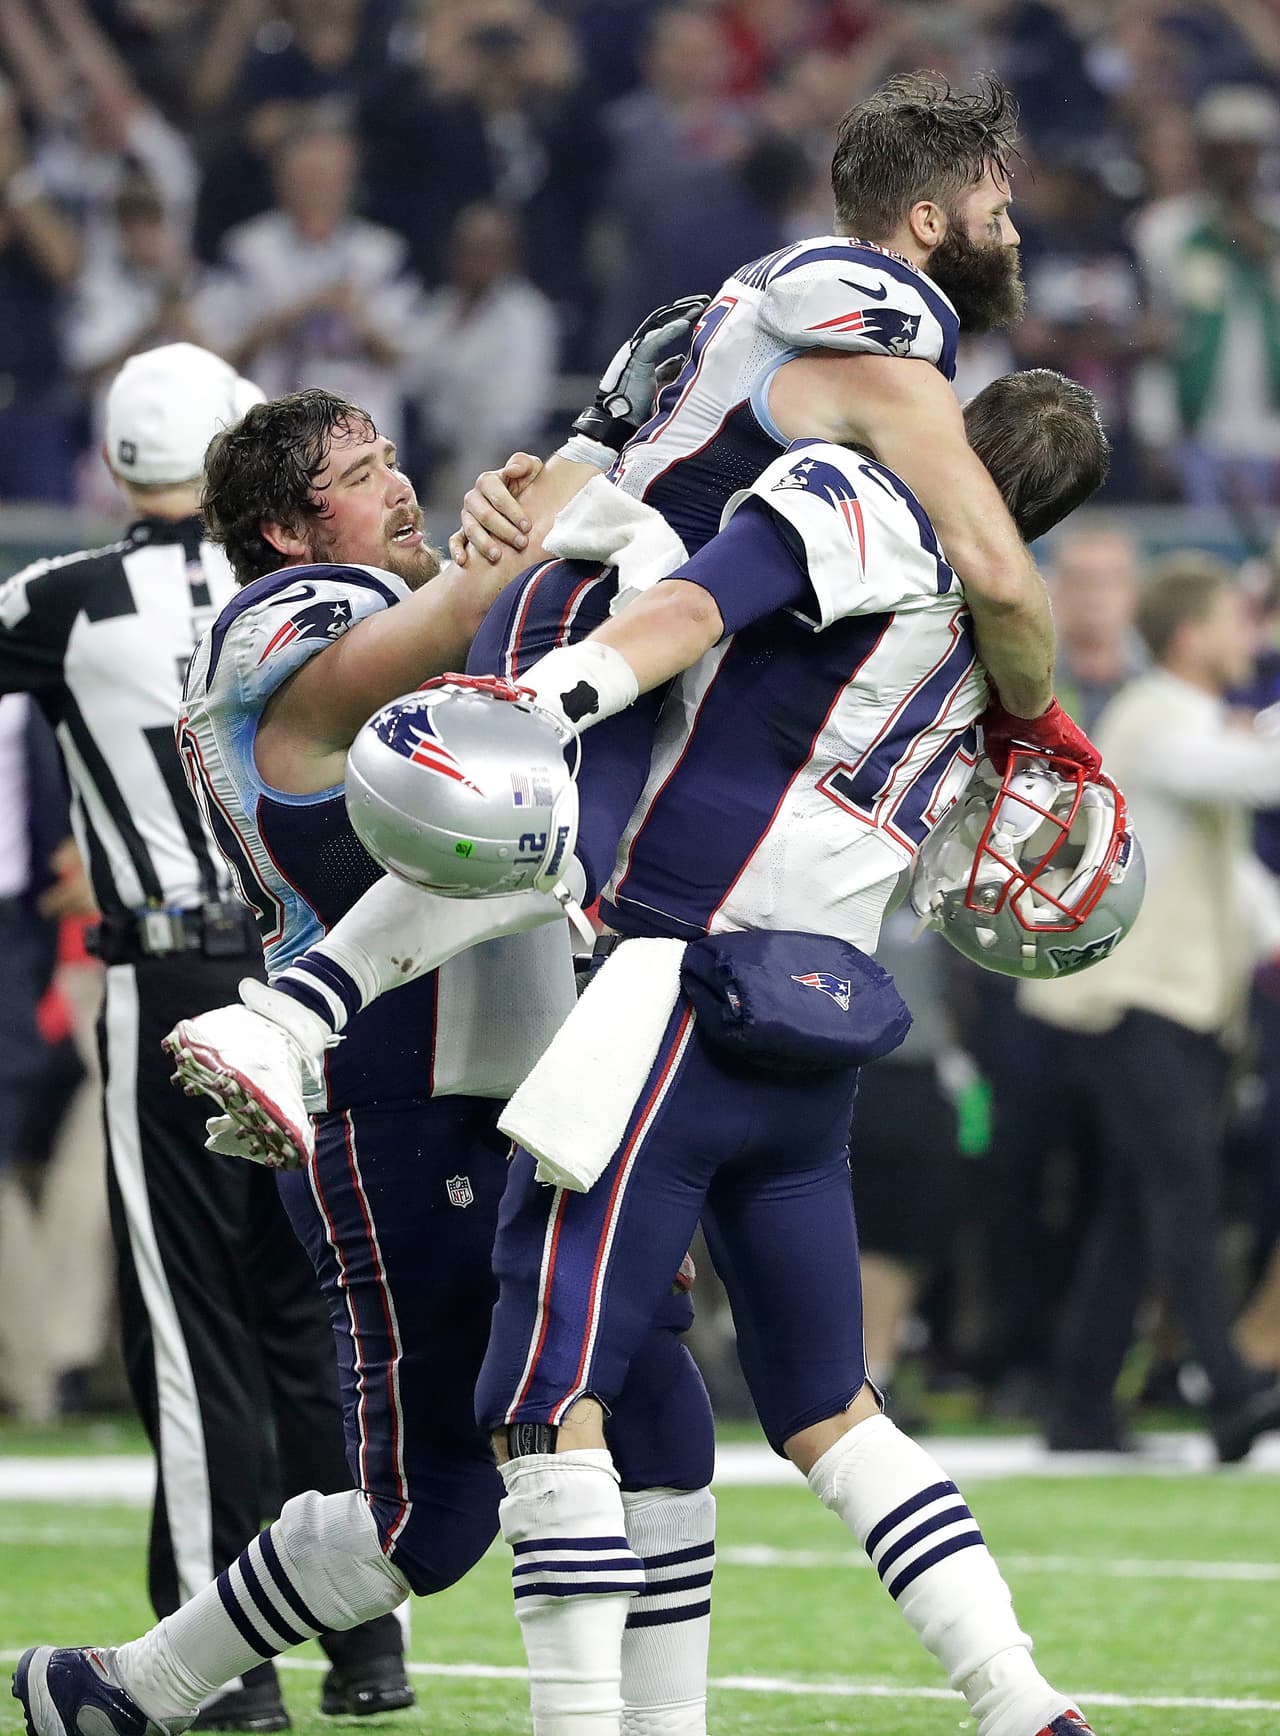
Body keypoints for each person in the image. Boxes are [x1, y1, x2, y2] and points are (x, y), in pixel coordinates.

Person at [161, 67, 1107, 1175]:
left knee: (576, 888)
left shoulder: (733, 307)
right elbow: (995, 573)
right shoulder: (883, 362)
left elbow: (584, 477)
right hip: (612, 613)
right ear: (929, 221)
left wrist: (512, 524)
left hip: (600, 598)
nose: (1010, 238)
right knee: (553, 857)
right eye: (995, 217)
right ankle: (294, 1021)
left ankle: (554, 1139)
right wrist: (1039, 722)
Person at [364, 368, 1113, 1736]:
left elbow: (694, 607)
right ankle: (1020, 1699)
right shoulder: (1005, 650)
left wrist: (558, 693)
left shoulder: (864, 498)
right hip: (819, 1032)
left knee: (541, 1398)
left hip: (676, 987)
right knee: (834, 1407)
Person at [14, 306, 720, 1736]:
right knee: (425, 1524)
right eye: (363, 467)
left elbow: (512, 626)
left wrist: (587, 478)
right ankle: (132, 1686)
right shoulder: (272, 633)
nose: (399, 480)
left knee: (660, 1414)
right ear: (287, 527)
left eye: (397, 452)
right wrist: (597, 451)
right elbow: (451, 644)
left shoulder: (398, 603)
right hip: (396, 1100)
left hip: (541, 1078)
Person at [0, 344, 413, 1729]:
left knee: (189, 1334)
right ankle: (366, 1643)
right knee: (314, 1312)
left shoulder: (64, 599)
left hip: (169, 978)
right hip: (314, 966)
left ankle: (221, 1661)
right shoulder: (322, 590)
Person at [1021, 553, 1280, 1463]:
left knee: (1137, 1208)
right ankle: (1232, 1389)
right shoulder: (1152, 715)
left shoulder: (1188, 719)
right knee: (1185, 1188)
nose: (1248, 635)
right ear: (1190, 637)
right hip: (1135, 1003)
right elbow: (1260, 777)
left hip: (1171, 1006)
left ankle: (1081, 1407)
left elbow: (1237, 878)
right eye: (1233, 620)